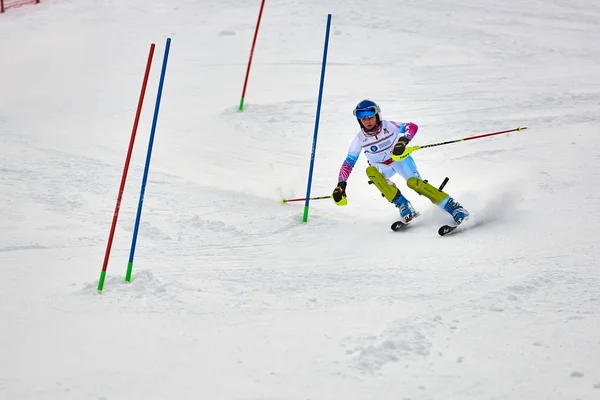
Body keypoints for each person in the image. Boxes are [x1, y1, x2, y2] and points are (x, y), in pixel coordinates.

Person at [331, 99, 469, 225]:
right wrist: (341, 184)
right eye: (363, 119)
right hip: (382, 167)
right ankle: (404, 205)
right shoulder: (360, 139)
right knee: (371, 171)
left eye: (370, 117)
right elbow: (349, 162)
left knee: (414, 183)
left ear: (377, 115)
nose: (367, 121)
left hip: (400, 160)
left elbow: (412, 126)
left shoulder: (388, 126)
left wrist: (403, 141)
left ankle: (455, 207)